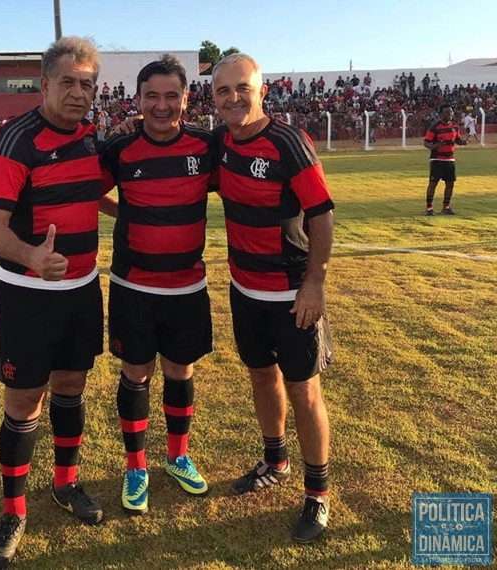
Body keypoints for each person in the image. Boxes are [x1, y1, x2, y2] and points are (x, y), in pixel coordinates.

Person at [0, 36, 105, 568]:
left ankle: (65, 484)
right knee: (24, 400)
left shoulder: (92, 138)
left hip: (82, 289)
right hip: (28, 294)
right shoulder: (15, 141)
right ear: (46, 83)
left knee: (72, 386)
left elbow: (90, 193)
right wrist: (33, 257)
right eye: (69, 82)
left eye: (88, 83)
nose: (79, 93)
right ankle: (13, 511)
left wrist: (133, 210)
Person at [212, 53, 335, 543]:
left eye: (242, 87)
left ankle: (318, 493)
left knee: (304, 389)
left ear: (261, 90)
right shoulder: (220, 143)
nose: (233, 98)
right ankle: (275, 460)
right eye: (224, 90)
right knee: (261, 375)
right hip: (244, 290)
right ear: (214, 99)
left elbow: (321, 216)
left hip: (291, 294)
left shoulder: (288, 142)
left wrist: (315, 283)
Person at [99, 54, 216, 515]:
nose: (162, 106)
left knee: (180, 371)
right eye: (152, 96)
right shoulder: (119, 150)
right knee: (135, 374)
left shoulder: (207, 147)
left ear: (186, 98)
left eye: (172, 96)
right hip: (134, 287)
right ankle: (136, 466)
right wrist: (126, 213)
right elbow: (88, 187)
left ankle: (178, 456)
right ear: (139, 99)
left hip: (187, 288)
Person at [423, 104, 469, 215]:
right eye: (447, 112)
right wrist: (434, 146)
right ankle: (429, 208)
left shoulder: (455, 127)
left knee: (450, 184)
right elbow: (426, 142)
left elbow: (457, 140)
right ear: (440, 114)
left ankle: (446, 207)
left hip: (450, 160)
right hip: (437, 160)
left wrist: (463, 142)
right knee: (433, 183)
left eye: (451, 112)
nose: (450, 114)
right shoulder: (435, 128)